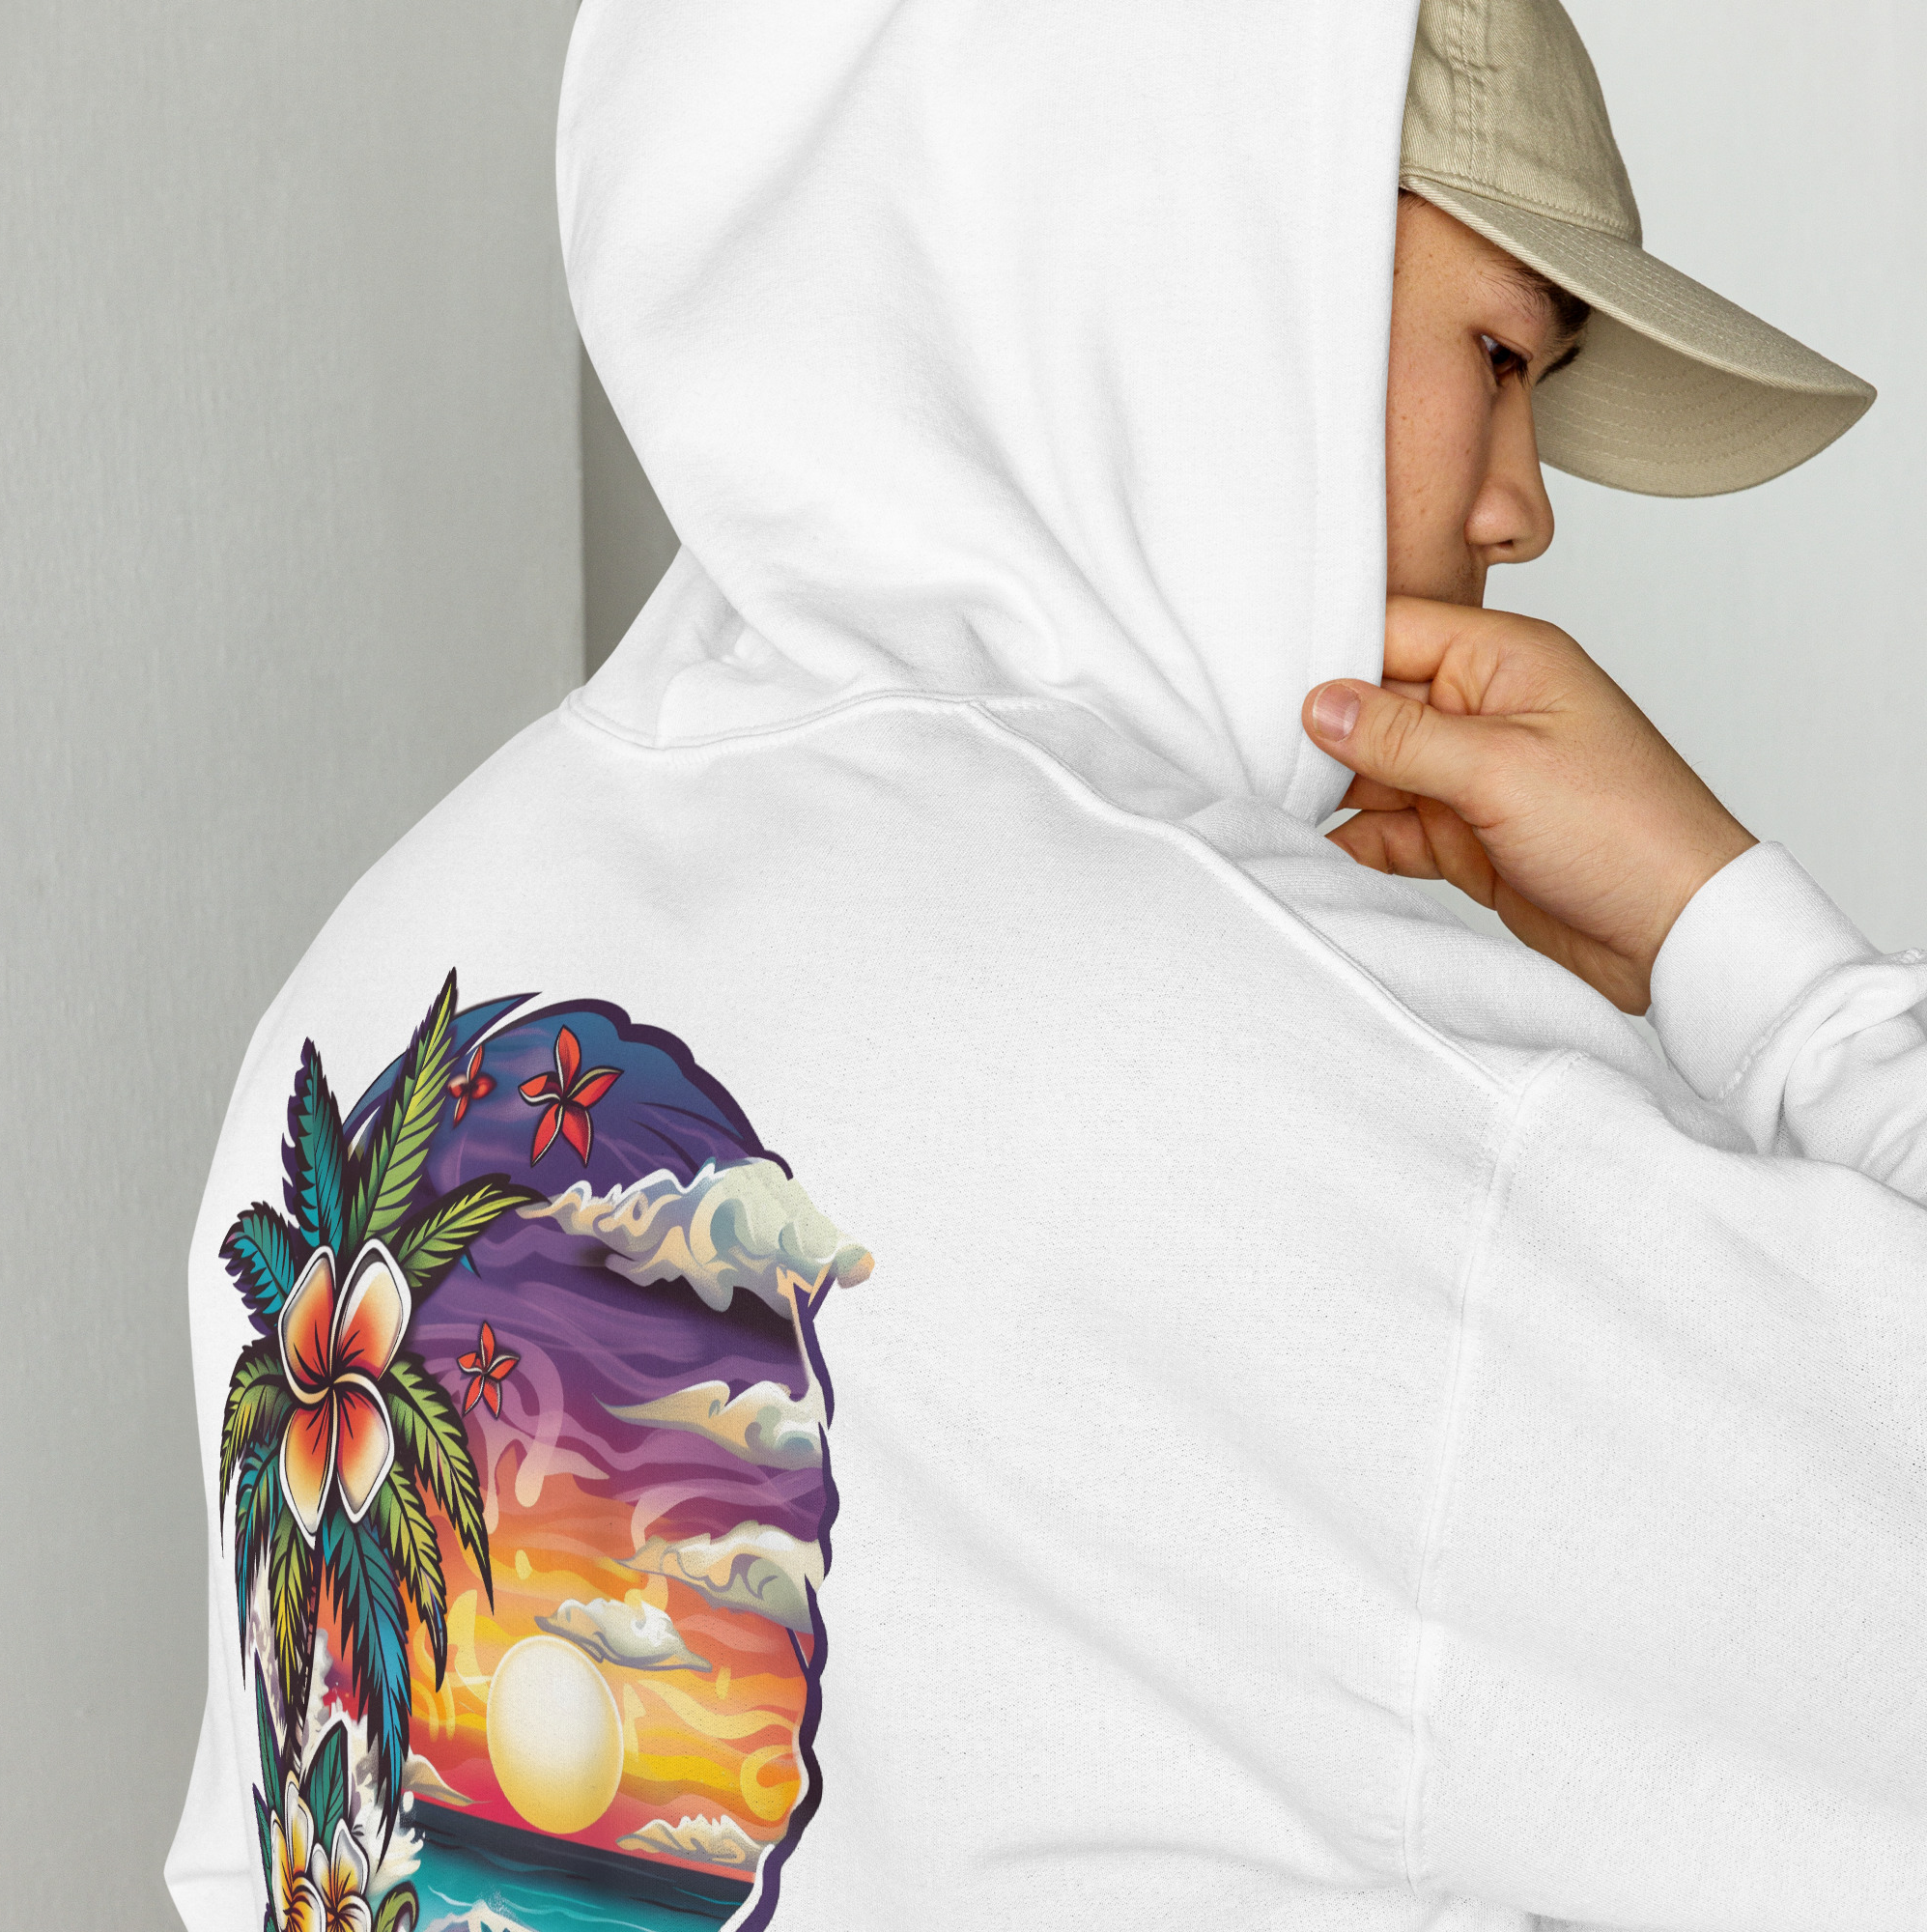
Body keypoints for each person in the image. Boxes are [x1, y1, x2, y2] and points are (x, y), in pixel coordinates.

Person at [166, 3, 1927, 1930]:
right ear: (1204, 246)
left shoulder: (371, 994)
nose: (1525, 503)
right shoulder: (1332, 1087)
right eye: (1500, 356)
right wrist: (1732, 940)